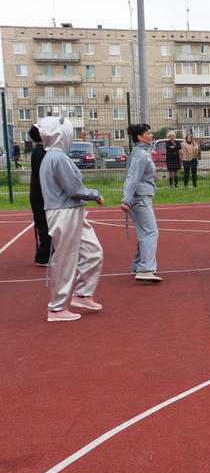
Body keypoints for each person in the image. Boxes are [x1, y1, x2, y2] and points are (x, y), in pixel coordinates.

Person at [37, 116, 105, 322]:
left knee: (94, 252)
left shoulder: (56, 156)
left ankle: (83, 294)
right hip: (64, 212)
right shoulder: (56, 157)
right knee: (65, 259)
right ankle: (57, 309)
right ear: (62, 134)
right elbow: (73, 188)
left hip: (72, 211)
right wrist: (95, 194)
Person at [121, 123, 162, 284]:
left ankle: (138, 265)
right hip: (140, 199)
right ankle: (145, 269)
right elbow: (133, 177)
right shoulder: (140, 155)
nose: (151, 136)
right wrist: (126, 199)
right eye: (149, 133)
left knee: (144, 232)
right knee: (151, 232)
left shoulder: (142, 153)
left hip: (141, 198)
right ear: (140, 137)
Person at [27, 126, 52, 266]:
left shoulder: (42, 150)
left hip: (41, 193)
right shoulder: (39, 151)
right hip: (40, 194)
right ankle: (44, 256)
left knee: (46, 223)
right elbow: (44, 174)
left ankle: (48, 253)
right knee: (44, 224)